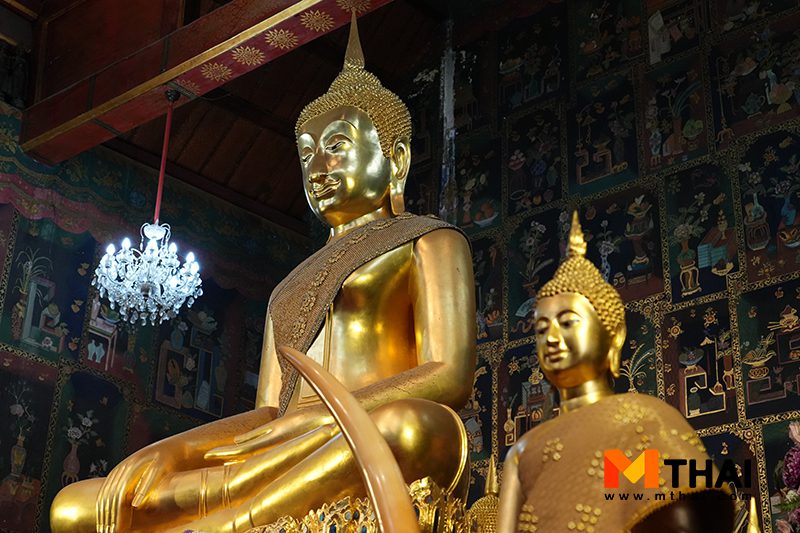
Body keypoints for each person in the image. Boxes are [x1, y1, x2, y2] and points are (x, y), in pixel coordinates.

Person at [50, 15, 475, 533]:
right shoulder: (288, 288)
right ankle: (224, 508)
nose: (317, 168)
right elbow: (270, 412)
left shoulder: (429, 241)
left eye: (337, 146)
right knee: (75, 506)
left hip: (362, 438)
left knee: (411, 426)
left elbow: (449, 374)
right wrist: (169, 451)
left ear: (397, 161)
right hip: (282, 454)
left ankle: (221, 523)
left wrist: (322, 416)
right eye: (307, 153)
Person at [498, 212, 734, 533]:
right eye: (541, 329)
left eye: (567, 323)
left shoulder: (639, 421)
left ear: (613, 335)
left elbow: (677, 522)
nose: (551, 338)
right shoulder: (523, 449)